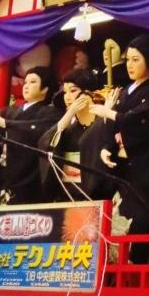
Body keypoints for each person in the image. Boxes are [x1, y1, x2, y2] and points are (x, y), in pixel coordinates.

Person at [88, 34, 149, 260]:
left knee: (142, 220)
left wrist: (111, 112)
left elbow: (141, 119)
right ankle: (115, 266)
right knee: (116, 217)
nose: (130, 65)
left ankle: (139, 266)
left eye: (136, 60)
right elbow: (111, 124)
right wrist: (106, 146)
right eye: (128, 60)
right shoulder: (125, 91)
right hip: (121, 167)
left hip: (146, 166)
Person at [0, 65, 57, 204]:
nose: (26, 86)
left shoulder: (50, 113)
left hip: (30, 180)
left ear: (45, 88)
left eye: (33, 82)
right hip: (4, 176)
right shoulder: (9, 111)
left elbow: (37, 130)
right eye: (25, 82)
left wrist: (5, 123)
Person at [39, 66, 99, 201]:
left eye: (73, 91)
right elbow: (45, 143)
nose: (68, 96)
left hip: (92, 186)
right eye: (65, 92)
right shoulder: (65, 121)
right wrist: (70, 113)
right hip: (66, 186)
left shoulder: (100, 120)